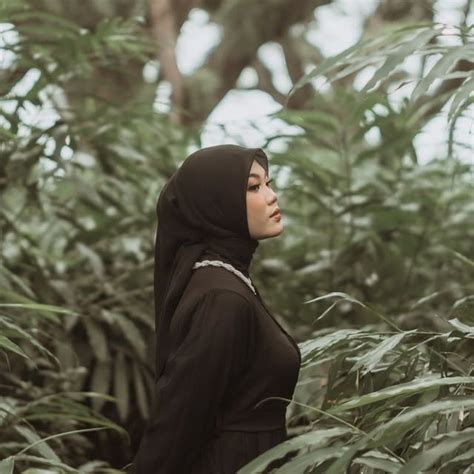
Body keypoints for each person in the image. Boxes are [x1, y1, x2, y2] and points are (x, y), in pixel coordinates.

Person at [128, 144, 301, 473]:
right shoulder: (221, 297)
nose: (272, 196)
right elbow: (180, 418)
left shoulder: (228, 279)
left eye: (268, 183)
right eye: (253, 187)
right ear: (215, 204)